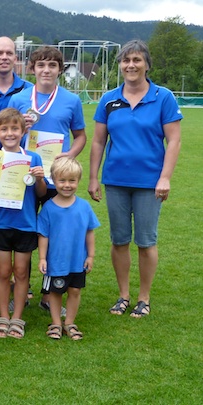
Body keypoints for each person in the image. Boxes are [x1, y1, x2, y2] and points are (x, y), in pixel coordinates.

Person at [88, 39, 182, 318]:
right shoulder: (109, 99)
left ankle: (144, 297)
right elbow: (97, 142)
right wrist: (93, 178)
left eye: (137, 60)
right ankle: (123, 295)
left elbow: (174, 141)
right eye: (126, 60)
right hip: (115, 180)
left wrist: (165, 178)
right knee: (119, 240)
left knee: (145, 241)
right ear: (120, 65)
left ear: (147, 65)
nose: (131, 65)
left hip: (150, 183)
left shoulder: (163, 97)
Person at [9, 45, 87, 312]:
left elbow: (81, 136)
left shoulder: (71, 100)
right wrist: (21, 131)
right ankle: (21, 288)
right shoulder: (19, 99)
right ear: (32, 69)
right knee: (24, 234)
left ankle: (49, 292)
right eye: (41, 65)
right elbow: (5, 136)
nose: (46, 70)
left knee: (54, 236)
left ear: (59, 70)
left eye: (52, 65)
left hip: (57, 179)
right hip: (24, 175)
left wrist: (67, 156)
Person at [0, 108, 46, 339]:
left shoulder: (33, 158)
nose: (10, 133)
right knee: (2, 271)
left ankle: (17, 317)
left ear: (23, 130)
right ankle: (3, 316)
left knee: (20, 271)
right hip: (1, 224)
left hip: (26, 223)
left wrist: (39, 178)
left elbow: (41, 192)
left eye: (14, 128)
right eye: (4, 129)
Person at [38, 157, 99, 340]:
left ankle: (69, 322)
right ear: (53, 180)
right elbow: (43, 235)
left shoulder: (84, 207)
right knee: (55, 292)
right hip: (56, 261)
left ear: (78, 181)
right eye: (62, 180)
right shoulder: (48, 208)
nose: (67, 185)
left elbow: (90, 232)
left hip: (77, 260)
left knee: (74, 291)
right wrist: (42, 258)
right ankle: (56, 323)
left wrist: (91, 256)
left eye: (72, 181)